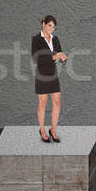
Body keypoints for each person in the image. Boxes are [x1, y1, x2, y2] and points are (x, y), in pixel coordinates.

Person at [31, 15, 67, 143]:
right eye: (49, 25)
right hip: (41, 74)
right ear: (43, 24)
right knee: (43, 103)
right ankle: (42, 130)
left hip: (53, 74)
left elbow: (60, 53)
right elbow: (36, 58)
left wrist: (63, 59)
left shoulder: (55, 39)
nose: (52, 29)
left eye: (53, 27)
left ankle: (53, 129)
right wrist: (54, 56)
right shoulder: (36, 39)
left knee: (57, 102)